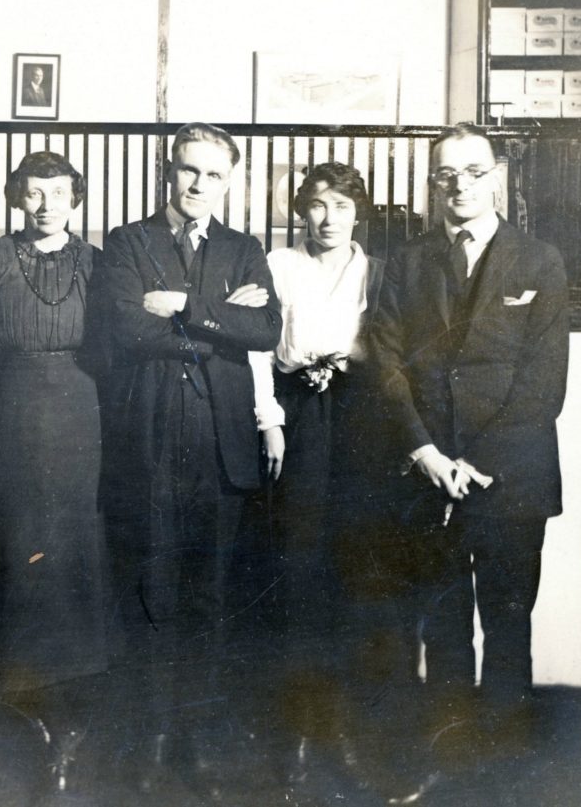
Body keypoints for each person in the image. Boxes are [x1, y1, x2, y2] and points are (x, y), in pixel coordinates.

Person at [369, 123, 569, 783]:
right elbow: (388, 363)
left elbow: (545, 383)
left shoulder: (541, 260)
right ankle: (452, 761)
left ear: (498, 175)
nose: (460, 185)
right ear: (434, 183)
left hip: (510, 475)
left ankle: (505, 766)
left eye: (473, 171)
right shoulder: (406, 261)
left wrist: (476, 462)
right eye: (446, 174)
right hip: (428, 473)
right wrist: (427, 452)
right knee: (444, 626)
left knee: (509, 622)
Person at [99, 121, 282, 796]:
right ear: (166, 170)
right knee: (151, 591)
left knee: (211, 596)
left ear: (228, 179)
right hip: (149, 437)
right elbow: (126, 328)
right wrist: (217, 322)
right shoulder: (126, 241)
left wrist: (182, 307)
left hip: (219, 439)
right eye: (188, 170)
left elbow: (266, 328)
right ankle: (149, 736)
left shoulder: (242, 246)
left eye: (213, 173)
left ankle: (198, 734)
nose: (199, 184)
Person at [0, 150, 108, 797]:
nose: (45, 203)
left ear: (76, 198)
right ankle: (21, 695)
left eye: (58, 192)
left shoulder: (99, 263)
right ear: (14, 196)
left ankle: (73, 701)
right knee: (19, 543)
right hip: (9, 409)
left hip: (80, 413)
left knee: (74, 545)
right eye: (32, 192)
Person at [247, 161, 384, 785]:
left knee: (355, 567)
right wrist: (269, 417)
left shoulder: (376, 271)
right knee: (297, 566)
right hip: (296, 417)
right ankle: (296, 726)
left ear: (360, 212)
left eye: (342, 207)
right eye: (318, 206)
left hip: (360, 422)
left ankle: (347, 727)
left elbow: (390, 346)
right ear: (302, 211)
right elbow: (254, 346)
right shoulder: (277, 264)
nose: (328, 219)